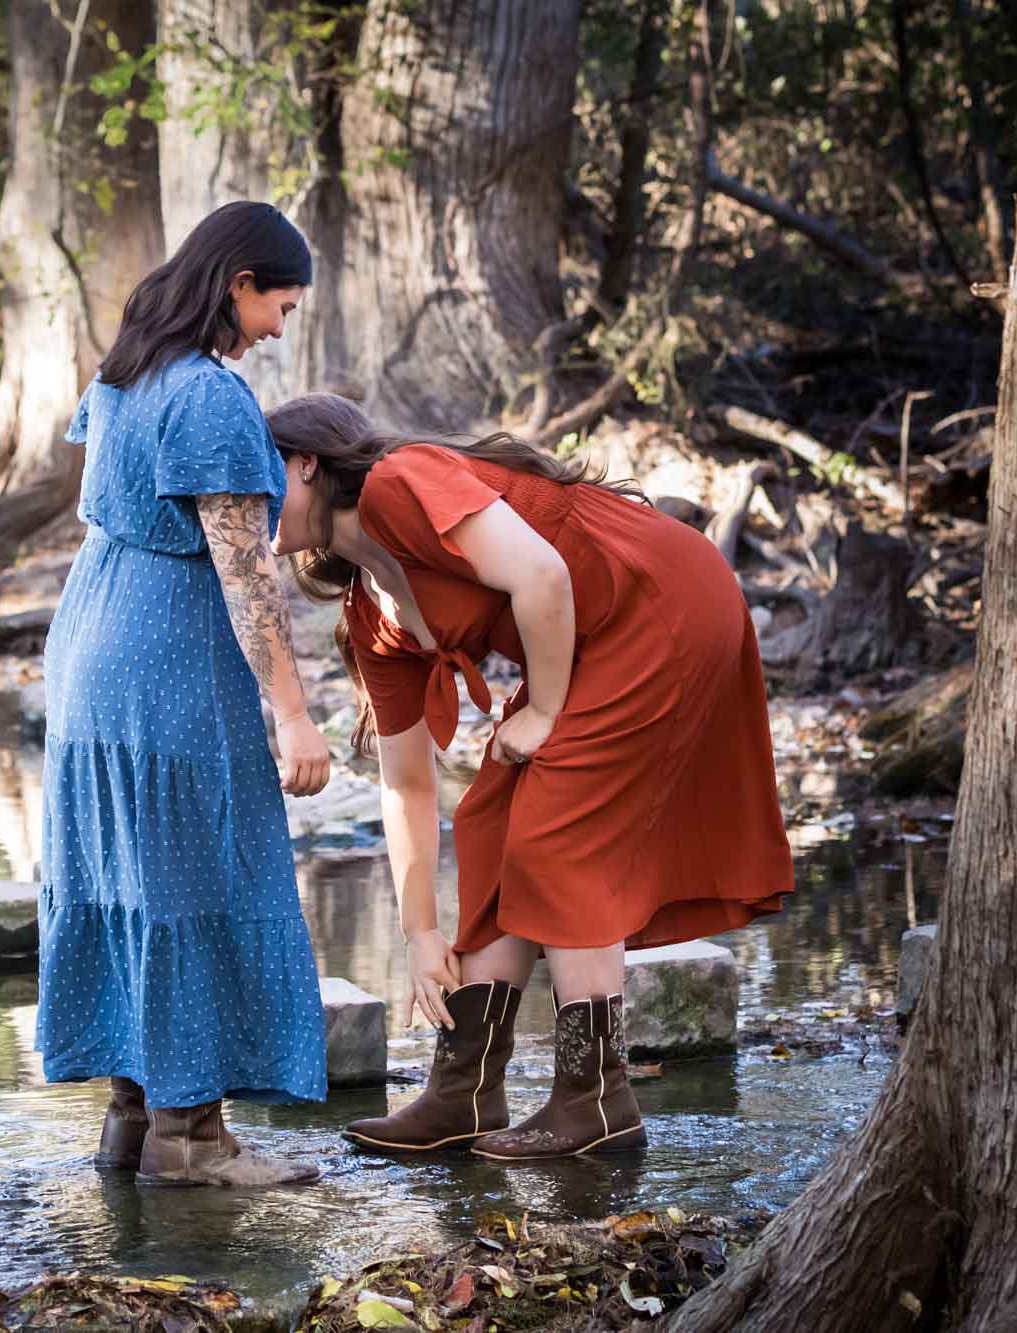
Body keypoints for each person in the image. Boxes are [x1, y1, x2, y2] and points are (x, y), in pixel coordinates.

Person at [264, 394, 793, 1162]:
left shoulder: (398, 483)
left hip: (659, 599)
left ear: (306, 463)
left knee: (556, 830)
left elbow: (543, 572)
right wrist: (417, 932)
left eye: (256, 480)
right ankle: (464, 1090)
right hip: (590, 637)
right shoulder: (371, 614)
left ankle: (596, 1097)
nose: (244, 506)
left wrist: (543, 710)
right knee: (490, 818)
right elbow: (407, 782)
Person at [36, 202, 333, 1188]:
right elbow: (246, 575)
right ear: (237, 283)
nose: (280, 328)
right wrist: (293, 713)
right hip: (165, 654)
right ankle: (192, 1141)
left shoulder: (126, 370)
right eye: (277, 306)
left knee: (128, 879)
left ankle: (132, 1123)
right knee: (196, 879)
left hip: (88, 640)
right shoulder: (209, 398)